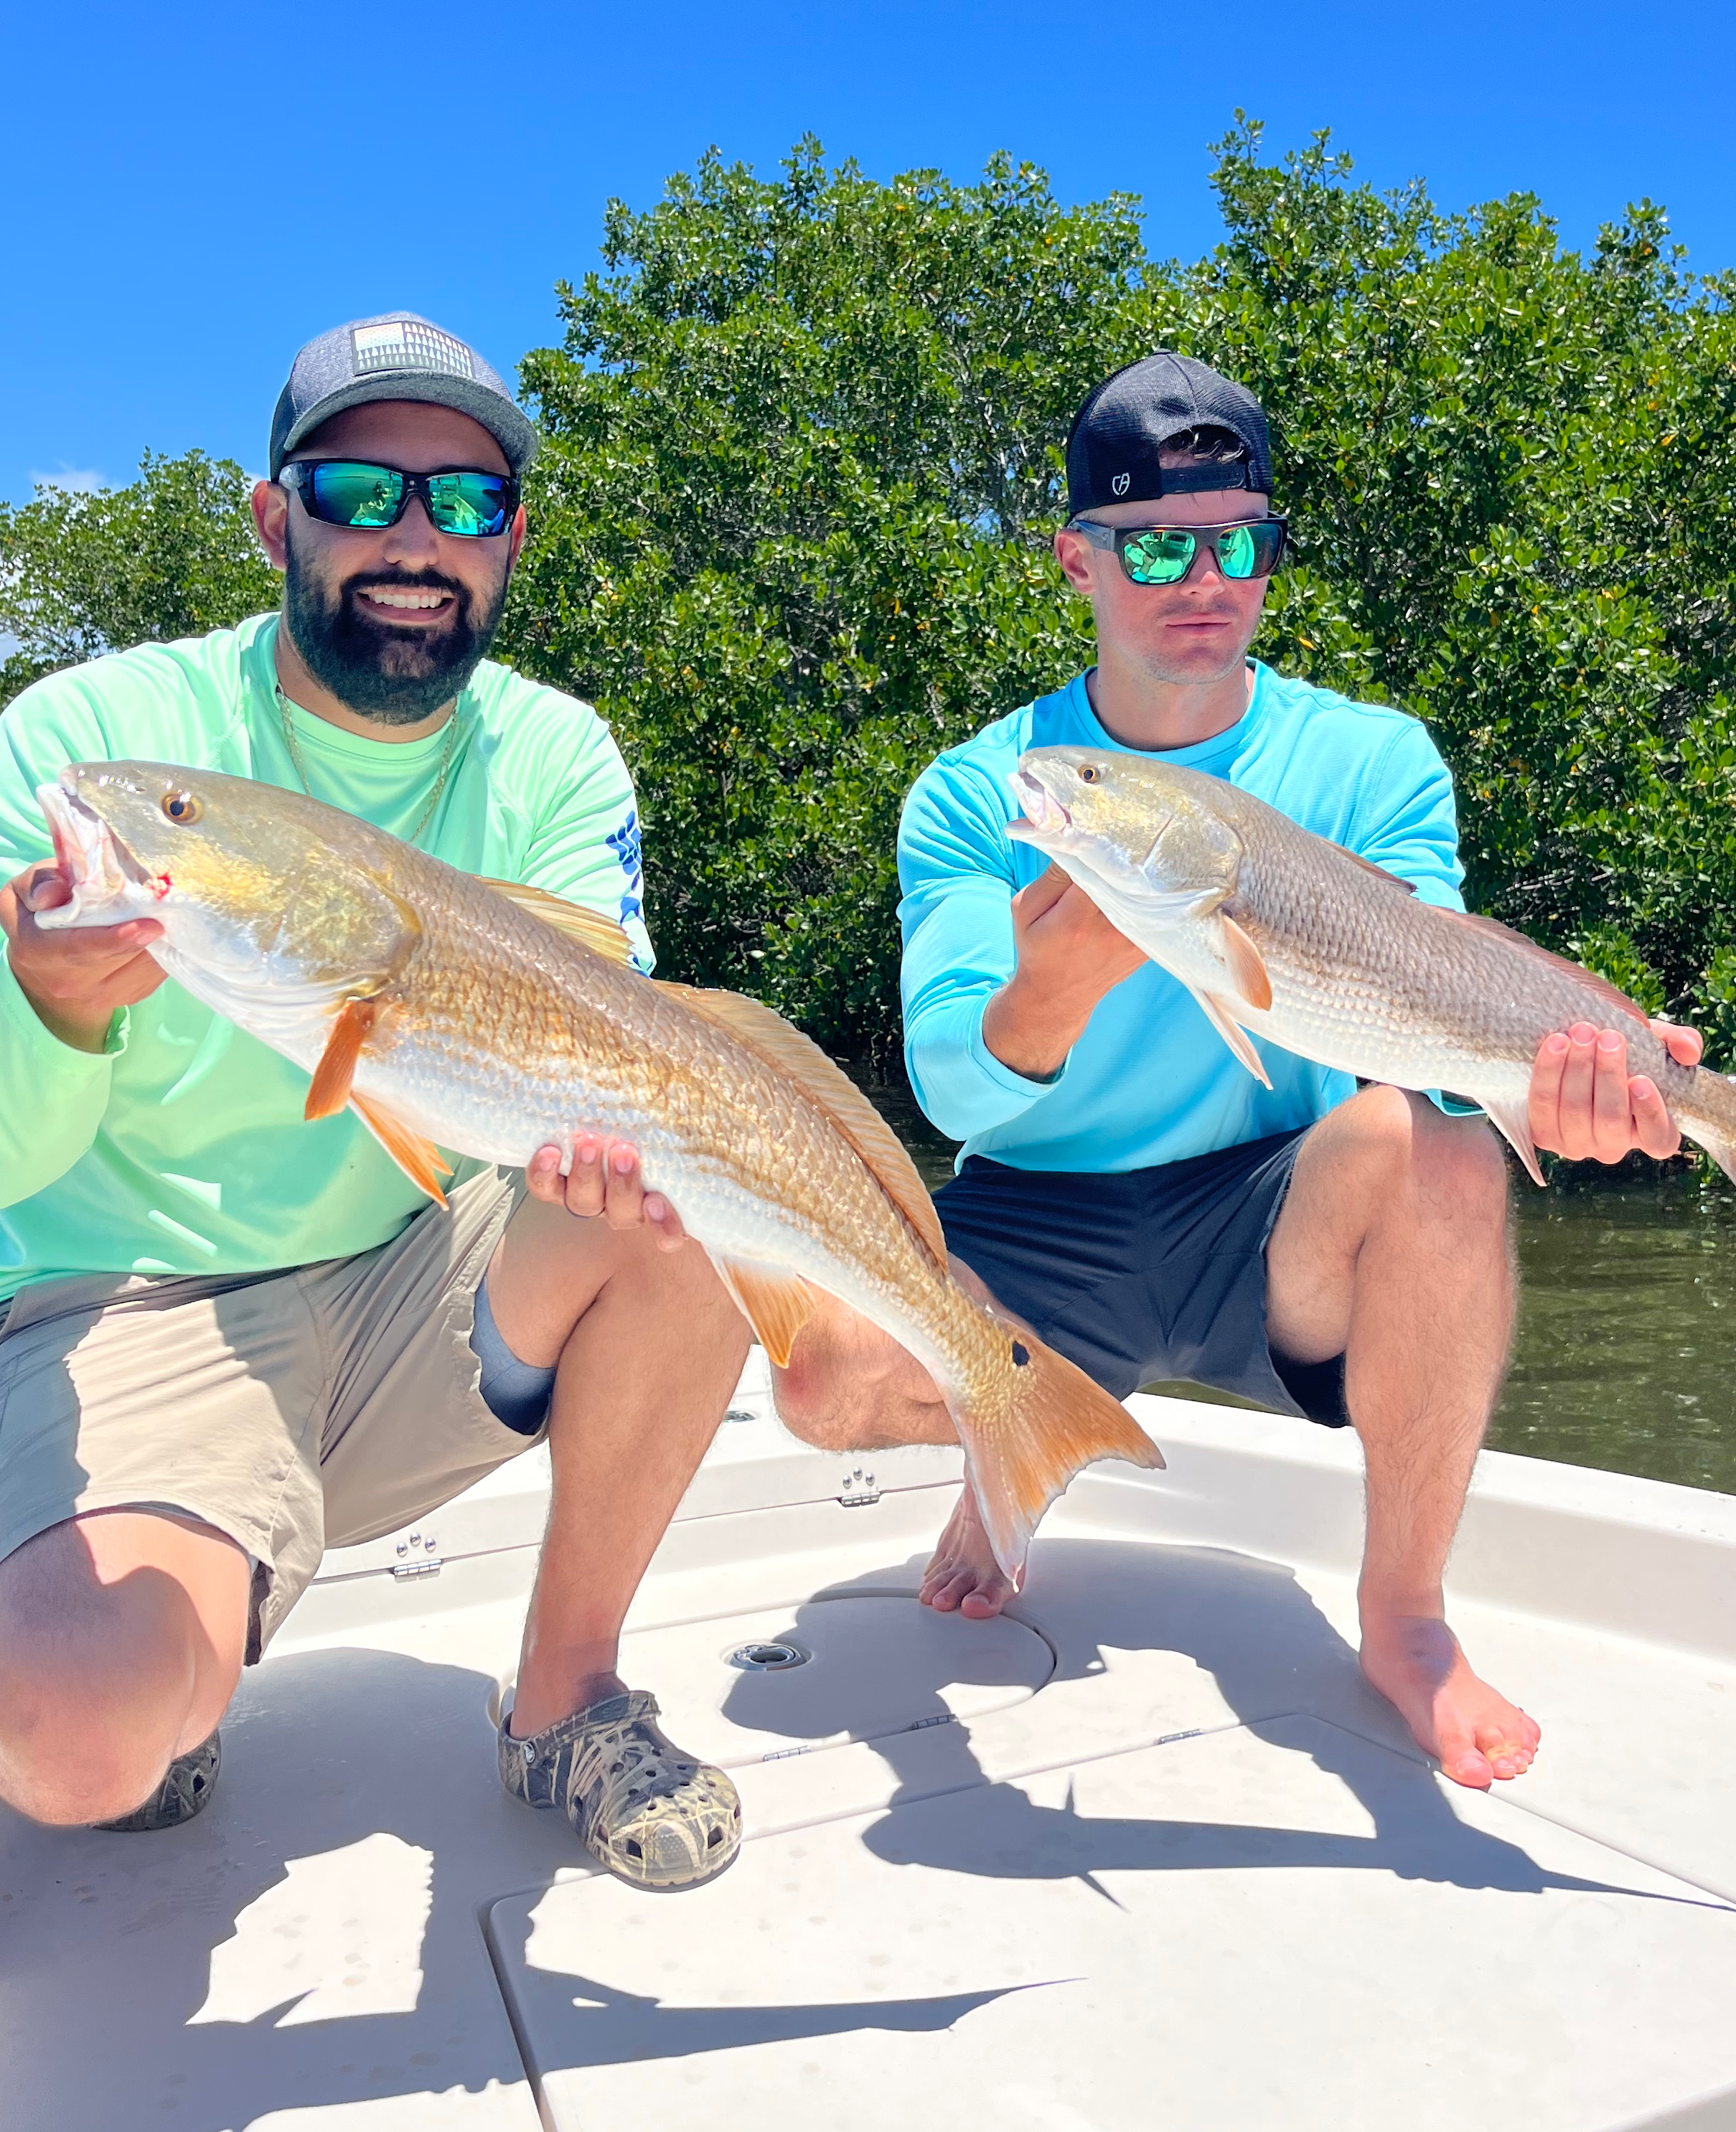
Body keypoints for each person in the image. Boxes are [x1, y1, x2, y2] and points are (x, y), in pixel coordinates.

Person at [776, 351, 1703, 1793]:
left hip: (1270, 1217)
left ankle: (1405, 1619)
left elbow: (1440, 996)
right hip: (1039, 1214)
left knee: (1443, 1147)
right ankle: (1013, 1444)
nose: (1199, 576)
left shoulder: (1374, 759)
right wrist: (1054, 989)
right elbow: (956, 1090)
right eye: (1153, 542)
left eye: (1237, 542)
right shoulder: (989, 789)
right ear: (1077, 557)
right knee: (821, 1366)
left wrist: (1574, 1079)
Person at [0, 314, 749, 1889]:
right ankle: (174, 1624)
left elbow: (597, 1031)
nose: (417, 539)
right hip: (131, 1303)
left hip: (430, 1265)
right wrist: (54, 1013)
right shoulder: (84, 752)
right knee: (75, 1737)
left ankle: (568, 1698)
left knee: (697, 1178)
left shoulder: (554, 751)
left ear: (513, 540)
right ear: (277, 517)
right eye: (361, 489)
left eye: (467, 504)